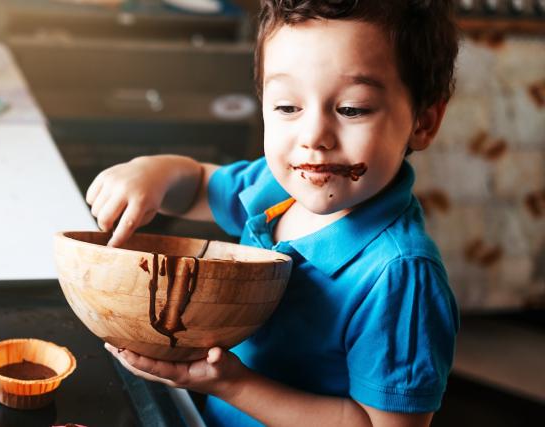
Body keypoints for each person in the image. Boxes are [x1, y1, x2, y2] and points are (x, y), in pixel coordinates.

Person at [85, 1, 460, 425]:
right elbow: (200, 186)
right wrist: (153, 172)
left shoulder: (401, 277)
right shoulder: (277, 186)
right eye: (287, 107)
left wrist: (232, 385)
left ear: (423, 123)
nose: (314, 136)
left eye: (352, 109)